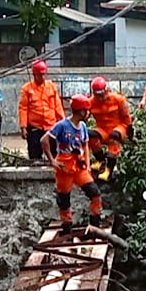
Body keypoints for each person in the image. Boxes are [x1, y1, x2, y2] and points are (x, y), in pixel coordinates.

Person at [41, 95, 104, 232]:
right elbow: (44, 140)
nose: (88, 114)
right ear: (81, 111)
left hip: (79, 166)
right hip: (64, 167)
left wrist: (87, 164)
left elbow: (85, 145)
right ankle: (67, 226)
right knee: (64, 200)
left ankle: (95, 226)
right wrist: (52, 161)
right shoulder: (62, 126)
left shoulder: (82, 127)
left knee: (95, 193)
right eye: (87, 111)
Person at [87, 76, 133, 181]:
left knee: (114, 137)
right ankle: (100, 160)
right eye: (98, 95)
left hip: (119, 127)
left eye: (102, 95)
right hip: (102, 128)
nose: (100, 98)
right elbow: (83, 117)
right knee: (91, 135)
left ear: (107, 90)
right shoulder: (90, 102)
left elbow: (126, 118)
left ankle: (109, 169)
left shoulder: (118, 99)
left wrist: (130, 134)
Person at [18, 59, 64, 160]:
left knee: (53, 153)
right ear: (34, 74)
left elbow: (58, 106)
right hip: (35, 127)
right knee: (35, 154)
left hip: (51, 126)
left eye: (44, 74)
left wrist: (63, 123)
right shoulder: (27, 89)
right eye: (40, 75)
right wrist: (23, 127)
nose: (42, 77)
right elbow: (23, 108)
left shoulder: (51, 87)